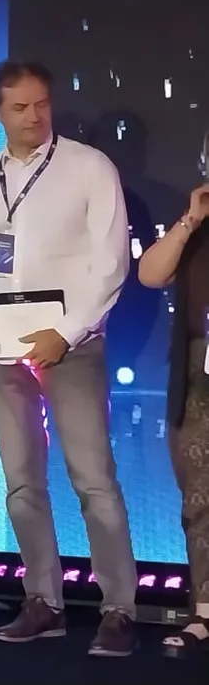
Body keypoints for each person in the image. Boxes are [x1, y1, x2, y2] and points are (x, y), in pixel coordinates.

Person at [0, 61, 137, 657]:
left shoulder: (89, 166)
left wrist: (65, 332)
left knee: (93, 480)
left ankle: (119, 608)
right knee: (19, 482)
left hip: (72, 344)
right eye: (20, 107)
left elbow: (110, 264)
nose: (34, 116)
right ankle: (44, 601)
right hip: (4, 350)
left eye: (41, 104)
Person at [137, 181, 209, 657]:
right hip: (199, 378)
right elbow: (150, 274)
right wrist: (191, 219)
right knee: (200, 500)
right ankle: (205, 612)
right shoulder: (196, 229)